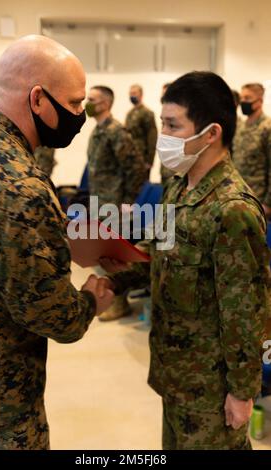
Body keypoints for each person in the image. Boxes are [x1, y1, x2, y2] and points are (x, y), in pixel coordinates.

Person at [100, 71, 271, 449]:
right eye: (162, 123)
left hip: (210, 388)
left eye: (173, 125)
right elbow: (156, 252)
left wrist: (242, 393)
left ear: (210, 133)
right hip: (174, 371)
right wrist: (114, 278)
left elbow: (245, 312)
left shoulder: (233, 210)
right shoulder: (178, 186)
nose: (163, 135)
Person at [0, 35, 114, 450]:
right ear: (38, 99)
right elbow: (52, 314)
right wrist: (91, 299)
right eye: (73, 104)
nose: (80, 115)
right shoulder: (22, 186)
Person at [85, 86, 146, 321]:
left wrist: (128, 201)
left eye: (92, 99)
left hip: (116, 205)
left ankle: (120, 304)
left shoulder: (115, 131)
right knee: (106, 256)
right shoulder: (98, 131)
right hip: (99, 202)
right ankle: (112, 299)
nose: (87, 103)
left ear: (106, 103)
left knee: (116, 258)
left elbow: (136, 167)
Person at [232, 83, 271, 218]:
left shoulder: (267, 127)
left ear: (259, 101)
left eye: (247, 98)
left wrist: (268, 204)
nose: (243, 102)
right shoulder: (240, 126)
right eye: (242, 98)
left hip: (258, 201)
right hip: (238, 197)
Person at [125, 84, 157, 177]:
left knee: (142, 187)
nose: (131, 96)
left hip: (142, 157)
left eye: (134, 93)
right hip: (130, 157)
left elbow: (152, 137)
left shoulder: (147, 113)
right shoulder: (129, 113)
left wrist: (149, 161)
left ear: (141, 95)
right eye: (130, 93)